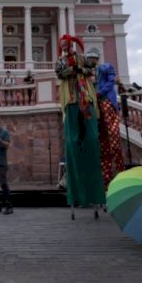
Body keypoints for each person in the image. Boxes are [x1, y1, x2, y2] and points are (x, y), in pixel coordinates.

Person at [55, 34, 105, 208]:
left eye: (66, 45)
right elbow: (60, 73)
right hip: (70, 100)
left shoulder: (81, 59)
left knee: (91, 141)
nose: (64, 48)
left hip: (86, 99)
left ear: (71, 45)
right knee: (72, 143)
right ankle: (75, 191)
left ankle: (95, 192)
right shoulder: (60, 61)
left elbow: (91, 67)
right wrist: (72, 70)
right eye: (62, 46)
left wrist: (80, 68)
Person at [92, 56, 125, 187]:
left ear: (96, 58)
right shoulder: (89, 72)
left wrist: (100, 93)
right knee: (103, 144)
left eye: (92, 58)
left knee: (114, 142)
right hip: (97, 106)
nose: (90, 60)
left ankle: (121, 176)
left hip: (107, 103)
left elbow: (111, 81)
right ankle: (106, 180)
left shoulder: (106, 67)